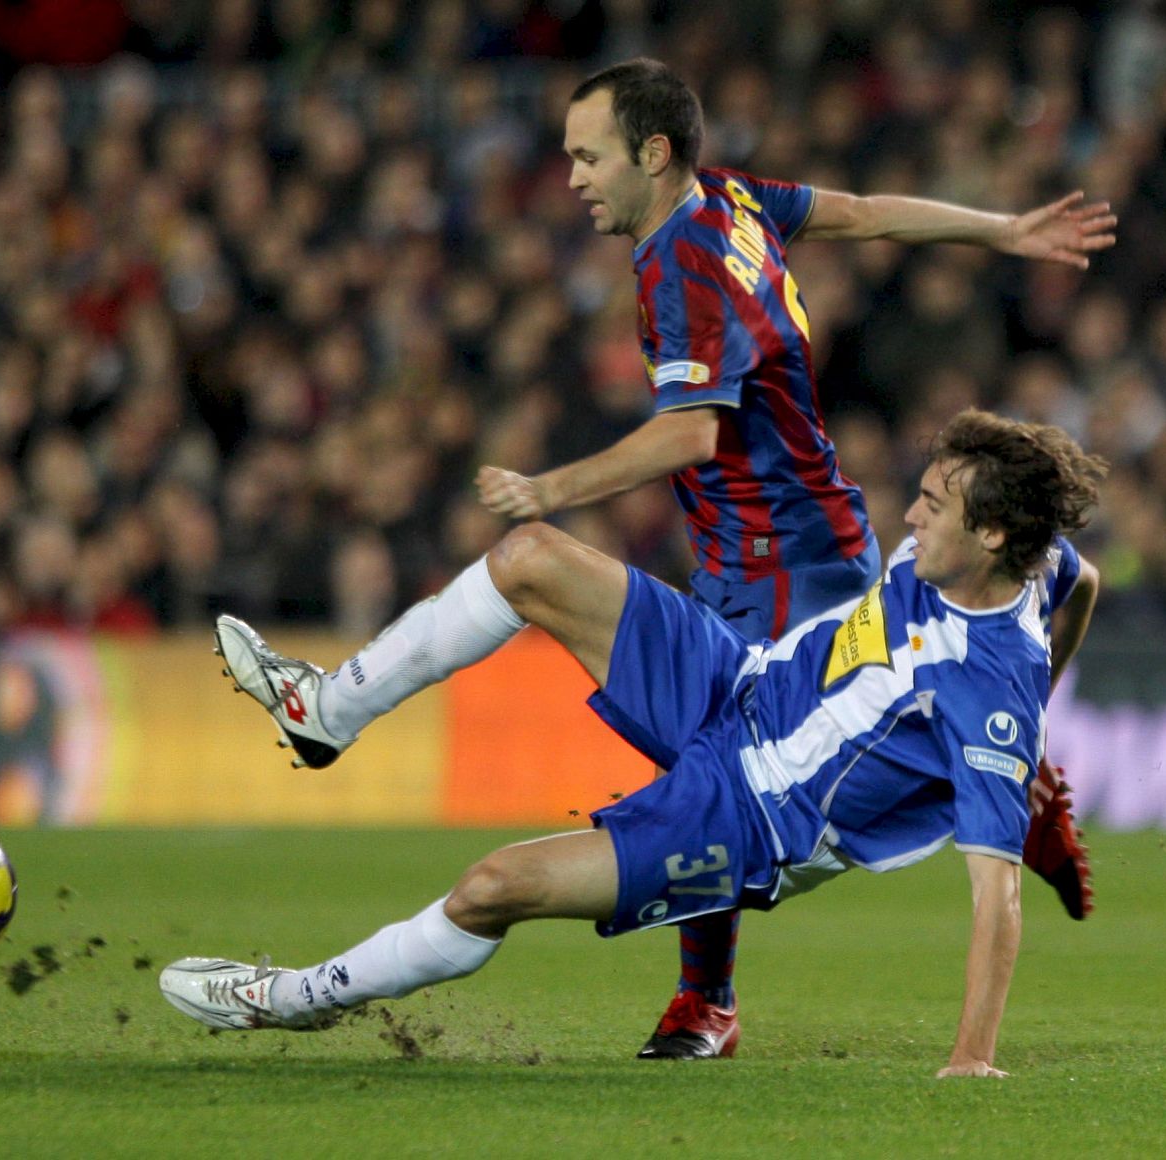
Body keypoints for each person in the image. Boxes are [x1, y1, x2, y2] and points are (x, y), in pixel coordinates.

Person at [468, 58, 1115, 1058]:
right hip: (795, 545)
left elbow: (853, 224)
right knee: (726, 756)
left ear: (653, 150)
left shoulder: (717, 217)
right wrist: (998, 230)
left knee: (712, 761)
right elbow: (858, 212)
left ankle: (707, 999)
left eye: (586, 155)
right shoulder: (734, 202)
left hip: (787, 554)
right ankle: (1010, 775)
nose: (573, 177)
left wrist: (999, 231)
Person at [164, 408, 1106, 1077]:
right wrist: (1036, 740)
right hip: (736, 680)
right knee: (529, 555)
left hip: (750, 816)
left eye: (935, 506)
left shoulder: (988, 687)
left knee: (495, 887)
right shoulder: (1027, 557)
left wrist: (971, 1060)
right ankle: (328, 714)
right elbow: (1086, 580)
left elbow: (997, 897)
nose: (909, 516)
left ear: (988, 532)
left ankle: (286, 998)